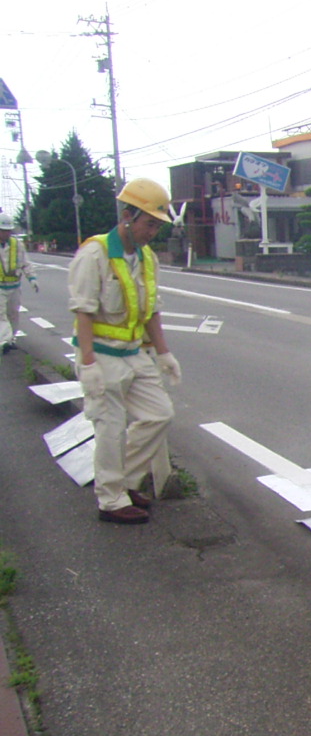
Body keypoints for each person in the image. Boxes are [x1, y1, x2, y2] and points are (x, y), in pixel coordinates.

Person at [68, 179, 181, 525]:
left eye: (158, 226)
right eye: (149, 223)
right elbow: (83, 310)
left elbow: (152, 309)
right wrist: (88, 364)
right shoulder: (95, 253)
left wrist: (163, 353)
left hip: (134, 352)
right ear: (127, 215)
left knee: (159, 415)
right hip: (101, 354)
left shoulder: (146, 257)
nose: (153, 232)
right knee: (111, 428)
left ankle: (125, 482)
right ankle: (111, 500)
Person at [0, 213, 37, 353]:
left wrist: (32, 278)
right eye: (3, 230)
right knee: (1, 315)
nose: (5, 233)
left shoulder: (17, 244)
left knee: (13, 314)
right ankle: (4, 342)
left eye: (8, 230)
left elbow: (25, 263)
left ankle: (11, 339)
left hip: (14, 286)